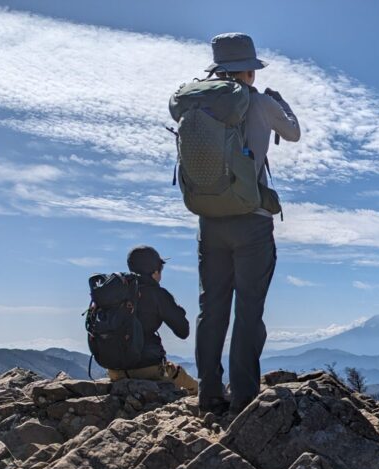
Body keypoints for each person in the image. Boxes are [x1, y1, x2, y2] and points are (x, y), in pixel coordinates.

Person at [195, 32, 301, 415]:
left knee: (213, 308)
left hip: (210, 221)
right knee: (248, 310)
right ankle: (242, 397)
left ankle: (208, 393)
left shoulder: (200, 105)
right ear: (250, 72)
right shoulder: (259, 103)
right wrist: (279, 102)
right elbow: (294, 132)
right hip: (252, 221)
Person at [106, 246, 198, 395]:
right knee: (190, 384)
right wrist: (177, 309)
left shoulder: (116, 293)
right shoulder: (158, 294)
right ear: (155, 271)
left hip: (114, 369)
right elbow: (183, 331)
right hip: (148, 368)